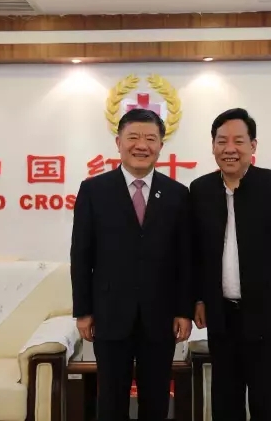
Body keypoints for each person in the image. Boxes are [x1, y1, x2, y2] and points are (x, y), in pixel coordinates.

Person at [70, 108, 193, 421]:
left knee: (156, 400)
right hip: (110, 313)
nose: (142, 145)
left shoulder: (178, 194)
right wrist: (83, 311)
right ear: (118, 142)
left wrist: (184, 310)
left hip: (161, 316)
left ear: (161, 145)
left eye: (150, 138)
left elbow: (185, 258)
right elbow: (81, 254)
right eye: (133, 137)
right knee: (111, 400)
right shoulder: (94, 190)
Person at [190, 107, 271, 421]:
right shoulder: (200, 190)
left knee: (266, 400)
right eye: (222, 141)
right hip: (221, 314)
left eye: (238, 141)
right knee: (225, 399)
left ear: (253, 145)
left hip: (266, 314)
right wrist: (198, 299)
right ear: (213, 146)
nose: (230, 149)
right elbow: (196, 253)